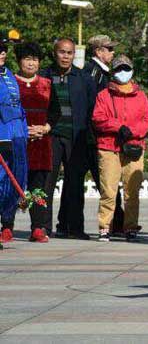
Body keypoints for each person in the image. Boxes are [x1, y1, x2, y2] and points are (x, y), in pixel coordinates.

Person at [92, 55, 148, 242]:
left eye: (126, 68)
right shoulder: (103, 95)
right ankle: (105, 226)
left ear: (132, 70)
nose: (123, 72)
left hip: (133, 146)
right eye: (119, 69)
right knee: (108, 191)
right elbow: (98, 118)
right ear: (113, 72)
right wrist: (118, 127)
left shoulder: (141, 96)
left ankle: (131, 227)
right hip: (109, 147)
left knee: (132, 192)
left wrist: (132, 131)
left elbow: (147, 120)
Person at [41, 38, 96, 239]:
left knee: (74, 183)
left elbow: (92, 109)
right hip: (50, 136)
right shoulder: (44, 76)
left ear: (74, 55)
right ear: (54, 53)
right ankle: (42, 226)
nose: (65, 56)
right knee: (46, 182)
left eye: (69, 53)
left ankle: (73, 227)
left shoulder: (83, 78)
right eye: (62, 52)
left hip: (76, 137)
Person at [15, 42, 60, 242]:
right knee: (11, 185)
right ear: (19, 61)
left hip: (41, 143)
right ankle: (6, 226)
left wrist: (45, 128)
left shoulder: (47, 84)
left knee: (38, 188)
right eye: (27, 59)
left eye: (34, 59)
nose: (31, 63)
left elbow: (56, 112)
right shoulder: (9, 83)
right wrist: (20, 130)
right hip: (16, 141)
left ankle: (38, 228)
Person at [83, 34, 126, 235]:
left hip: (101, 134)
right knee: (107, 182)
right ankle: (114, 223)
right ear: (99, 51)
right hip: (96, 135)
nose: (112, 52)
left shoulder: (103, 72)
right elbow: (94, 106)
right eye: (109, 49)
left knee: (109, 181)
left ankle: (118, 221)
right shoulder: (94, 73)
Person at [0, 41, 28, 243]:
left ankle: (7, 224)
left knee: (15, 180)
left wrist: (23, 131)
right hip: (2, 133)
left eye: (3, 50)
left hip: (17, 134)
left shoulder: (8, 74)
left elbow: (18, 106)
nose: (2, 53)